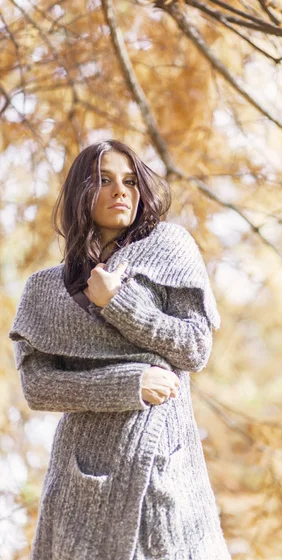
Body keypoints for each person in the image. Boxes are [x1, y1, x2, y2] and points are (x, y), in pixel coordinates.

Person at [8, 139, 232, 560]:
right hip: (81, 476)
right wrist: (126, 383)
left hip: (161, 464)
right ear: (80, 193)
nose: (120, 191)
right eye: (104, 180)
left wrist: (118, 303)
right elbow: (38, 387)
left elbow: (195, 348)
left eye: (130, 181)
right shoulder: (43, 288)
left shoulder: (171, 247)